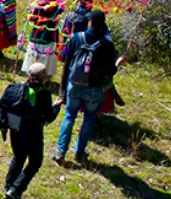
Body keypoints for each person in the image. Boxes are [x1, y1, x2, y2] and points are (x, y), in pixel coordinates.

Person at [52, 10, 122, 165]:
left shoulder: (77, 38)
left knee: (69, 115)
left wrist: (62, 90)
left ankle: (60, 151)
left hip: (75, 85)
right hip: (95, 89)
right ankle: (79, 152)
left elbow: (66, 63)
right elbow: (111, 71)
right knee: (89, 118)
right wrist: (118, 63)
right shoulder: (107, 44)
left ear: (90, 22)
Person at [0, 63, 61, 199]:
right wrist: (56, 106)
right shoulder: (43, 93)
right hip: (33, 132)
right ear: (44, 78)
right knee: (35, 161)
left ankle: (8, 187)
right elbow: (48, 117)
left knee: (19, 157)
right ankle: (16, 190)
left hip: (15, 129)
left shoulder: (16, 88)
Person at [21, 0, 64, 77]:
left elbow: (31, 15)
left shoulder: (39, 5)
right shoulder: (58, 7)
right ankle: (45, 76)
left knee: (34, 53)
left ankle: (32, 74)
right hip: (49, 36)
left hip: (37, 35)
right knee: (47, 55)